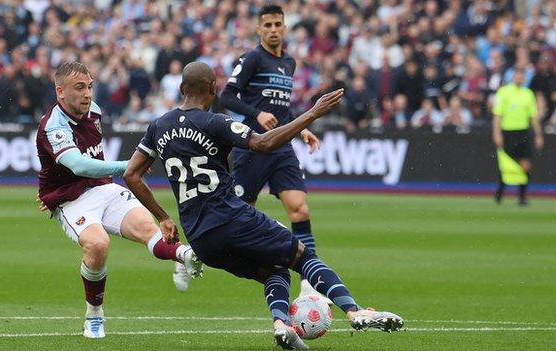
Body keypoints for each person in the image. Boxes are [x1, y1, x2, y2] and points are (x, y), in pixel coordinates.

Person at [124, 61, 403, 350]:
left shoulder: (158, 126)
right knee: (301, 256)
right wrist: (312, 113)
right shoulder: (215, 122)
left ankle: (282, 326)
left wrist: (163, 217)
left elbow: (131, 174)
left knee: (275, 270)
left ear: (182, 89)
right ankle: (354, 311)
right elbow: (263, 144)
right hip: (231, 217)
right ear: (212, 88)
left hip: (199, 237)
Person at [35, 62, 203, 339]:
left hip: (104, 189)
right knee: (98, 245)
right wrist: (127, 166)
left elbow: (87, 166)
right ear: (60, 91)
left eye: (89, 86)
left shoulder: (95, 110)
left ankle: (185, 256)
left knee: (148, 230)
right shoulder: (53, 126)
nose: (88, 94)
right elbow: (80, 165)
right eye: (80, 88)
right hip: (72, 200)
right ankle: (94, 314)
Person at [219, 4, 326, 301]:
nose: (273, 30)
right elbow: (226, 95)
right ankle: (197, 255)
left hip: (281, 146)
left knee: (300, 209)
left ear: (286, 28)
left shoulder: (289, 63)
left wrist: (299, 128)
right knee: (238, 215)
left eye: (278, 24)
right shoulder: (251, 58)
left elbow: (283, 106)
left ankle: (311, 278)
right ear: (259, 29)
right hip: (253, 145)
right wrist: (257, 113)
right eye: (267, 25)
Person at [492, 68, 544, 205]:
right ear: (513, 77)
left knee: (525, 165)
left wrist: (538, 135)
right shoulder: (504, 92)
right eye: (517, 76)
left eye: (522, 76)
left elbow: (533, 117)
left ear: (525, 79)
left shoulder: (528, 94)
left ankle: (522, 197)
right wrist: (497, 133)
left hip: (523, 132)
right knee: (507, 166)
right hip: (508, 132)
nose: (519, 78)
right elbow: (497, 115)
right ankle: (499, 194)